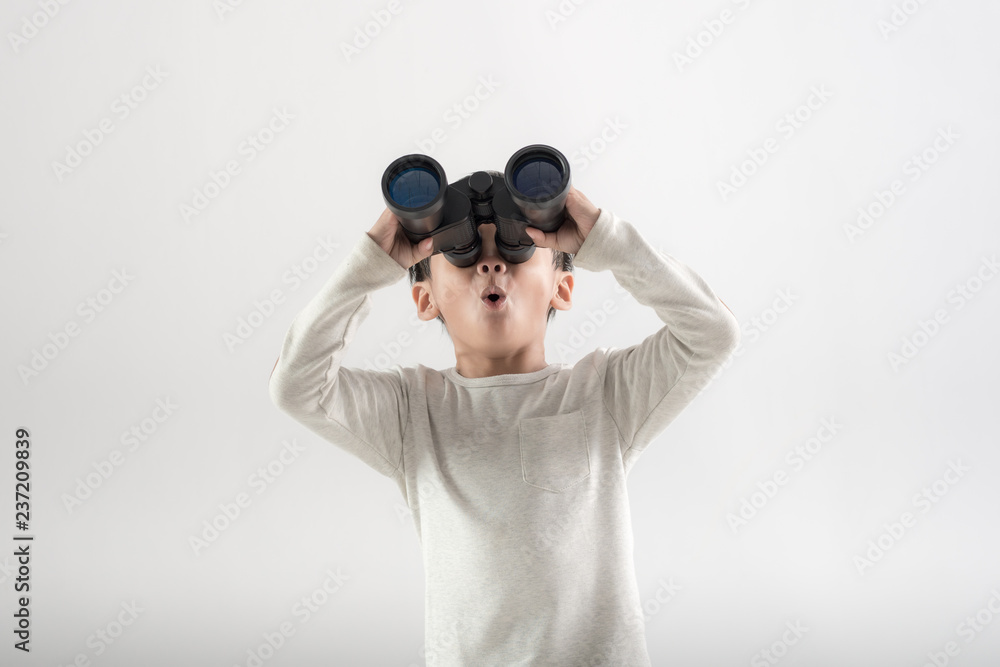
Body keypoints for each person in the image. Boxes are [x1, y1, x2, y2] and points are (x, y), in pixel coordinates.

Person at [268, 178, 741, 665]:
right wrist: (369, 267)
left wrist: (606, 239)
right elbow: (297, 386)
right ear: (425, 299)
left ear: (562, 288)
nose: (491, 264)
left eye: (517, 250)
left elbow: (712, 332)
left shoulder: (605, 394)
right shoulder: (410, 412)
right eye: (462, 254)